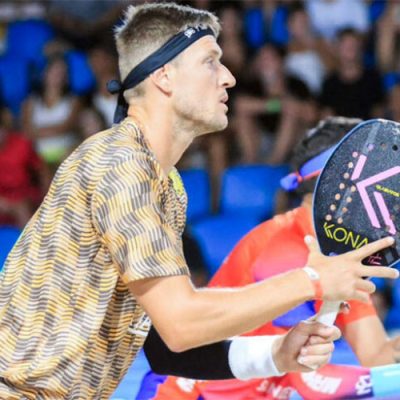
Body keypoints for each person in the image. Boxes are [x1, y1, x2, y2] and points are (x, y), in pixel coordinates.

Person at [0, 4, 397, 399]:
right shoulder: (119, 164)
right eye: (211, 62)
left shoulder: (166, 184)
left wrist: (277, 352)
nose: (228, 77)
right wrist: (311, 281)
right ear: (164, 76)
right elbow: (182, 324)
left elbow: (164, 345)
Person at [148, 116, 400, 399]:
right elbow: (310, 380)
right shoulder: (282, 251)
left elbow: (377, 355)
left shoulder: (338, 259)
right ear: (345, 183)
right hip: (185, 393)